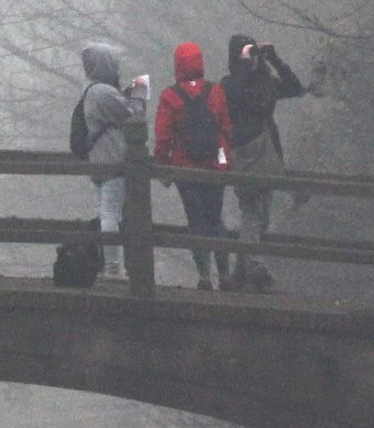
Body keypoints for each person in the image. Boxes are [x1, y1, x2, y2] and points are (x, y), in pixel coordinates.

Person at [223, 33, 306, 291]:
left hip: (268, 153)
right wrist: (246, 66)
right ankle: (255, 267)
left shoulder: (265, 82)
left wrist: (275, 59)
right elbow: (235, 92)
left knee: (262, 217)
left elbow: (294, 88)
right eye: (247, 53)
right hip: (246, 153)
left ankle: (240, 271)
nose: (253, 58)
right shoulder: (230, 83)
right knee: (251, 211)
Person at [153, 41, 234, 289]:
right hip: (214, 167)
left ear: (177, 65)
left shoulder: (170, 96)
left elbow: (163, 136)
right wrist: (224, 162)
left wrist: (163, 165)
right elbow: (226, 129)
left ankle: (203, 276)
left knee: (196, 220)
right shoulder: (216, 91)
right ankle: (224, 274)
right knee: (215, 219)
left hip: (184, 169)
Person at [76, 43, 148, 283]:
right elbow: (133, 116)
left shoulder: (92, 90)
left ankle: (105, 264)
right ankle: (113, 267)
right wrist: (139, 94)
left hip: (99, 158)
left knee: (103, 210)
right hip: (113, 158)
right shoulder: (103, 93)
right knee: (111, 214)